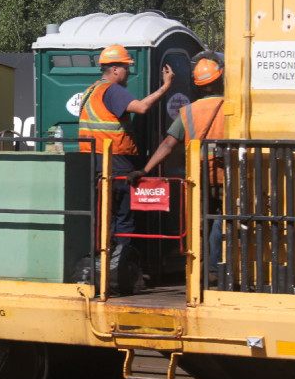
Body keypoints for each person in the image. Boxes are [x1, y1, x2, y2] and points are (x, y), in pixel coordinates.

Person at [128, 56, 225, 283]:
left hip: (198, 177)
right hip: (227, 175)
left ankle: (198, 268)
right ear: (220, 81)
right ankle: (212, 268)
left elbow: (168, 144)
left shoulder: (188, 112)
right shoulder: (233, 108)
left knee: (200, 222)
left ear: (197, 85)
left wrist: (145, 169)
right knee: (222, 219)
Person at [78, 43, 173, 249]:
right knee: (124, 219)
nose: (129, 72)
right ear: (114, 69)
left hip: (92, 164)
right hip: (116, 165)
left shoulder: (90, 91)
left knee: (101, 217)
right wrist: (166, 86)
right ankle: (121, 266)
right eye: (126, 68)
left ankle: (103, 263)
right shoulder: (113, 90)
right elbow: (142, 107)